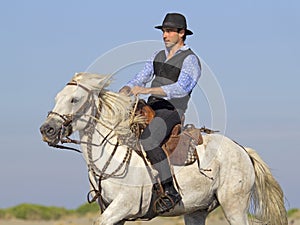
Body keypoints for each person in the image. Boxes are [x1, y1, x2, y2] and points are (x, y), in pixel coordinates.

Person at [119, 12, 201, 213]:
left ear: (181, 33)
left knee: (148, 140)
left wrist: (147, 91)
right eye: (164, 31)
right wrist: (125, 90)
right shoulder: (157, 56)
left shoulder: (190, 59)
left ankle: (170, 191)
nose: (165, 35)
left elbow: (182, 88)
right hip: (152, 107)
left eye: (170, 31)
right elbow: (141, 77)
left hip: (172, 109)